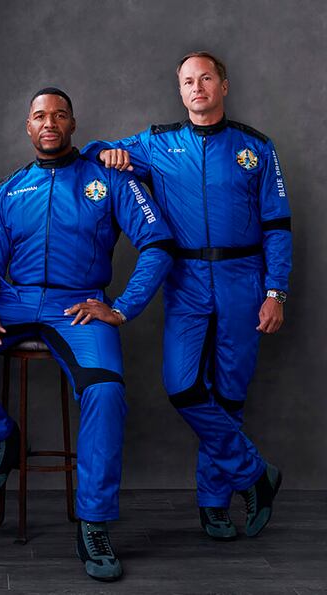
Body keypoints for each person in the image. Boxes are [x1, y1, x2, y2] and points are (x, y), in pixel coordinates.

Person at [0, 88, 175, 581]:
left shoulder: (110, 178)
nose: (49, 123)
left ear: (73, 124)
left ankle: (93, 523)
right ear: (28, 128)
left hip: (77, 306)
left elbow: (158, 243)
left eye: (59, 115)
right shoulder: (12, 189)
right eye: (39, 116)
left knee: (105, 390)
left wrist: (120, 307)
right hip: (15, 300)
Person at [82, 51, 291, 541]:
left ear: (224, 84)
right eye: (187, 82)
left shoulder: (255, 148)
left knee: (230, 395)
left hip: (245, 278)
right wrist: (106, 152)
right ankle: (256, 475)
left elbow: (278, 226)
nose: (197, 88)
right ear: (180, 91)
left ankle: (215, 505)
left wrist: (276, 290)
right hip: (187, 280)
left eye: (205, 79)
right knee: (183, 386)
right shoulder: (158, 143)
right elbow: (93, 149)